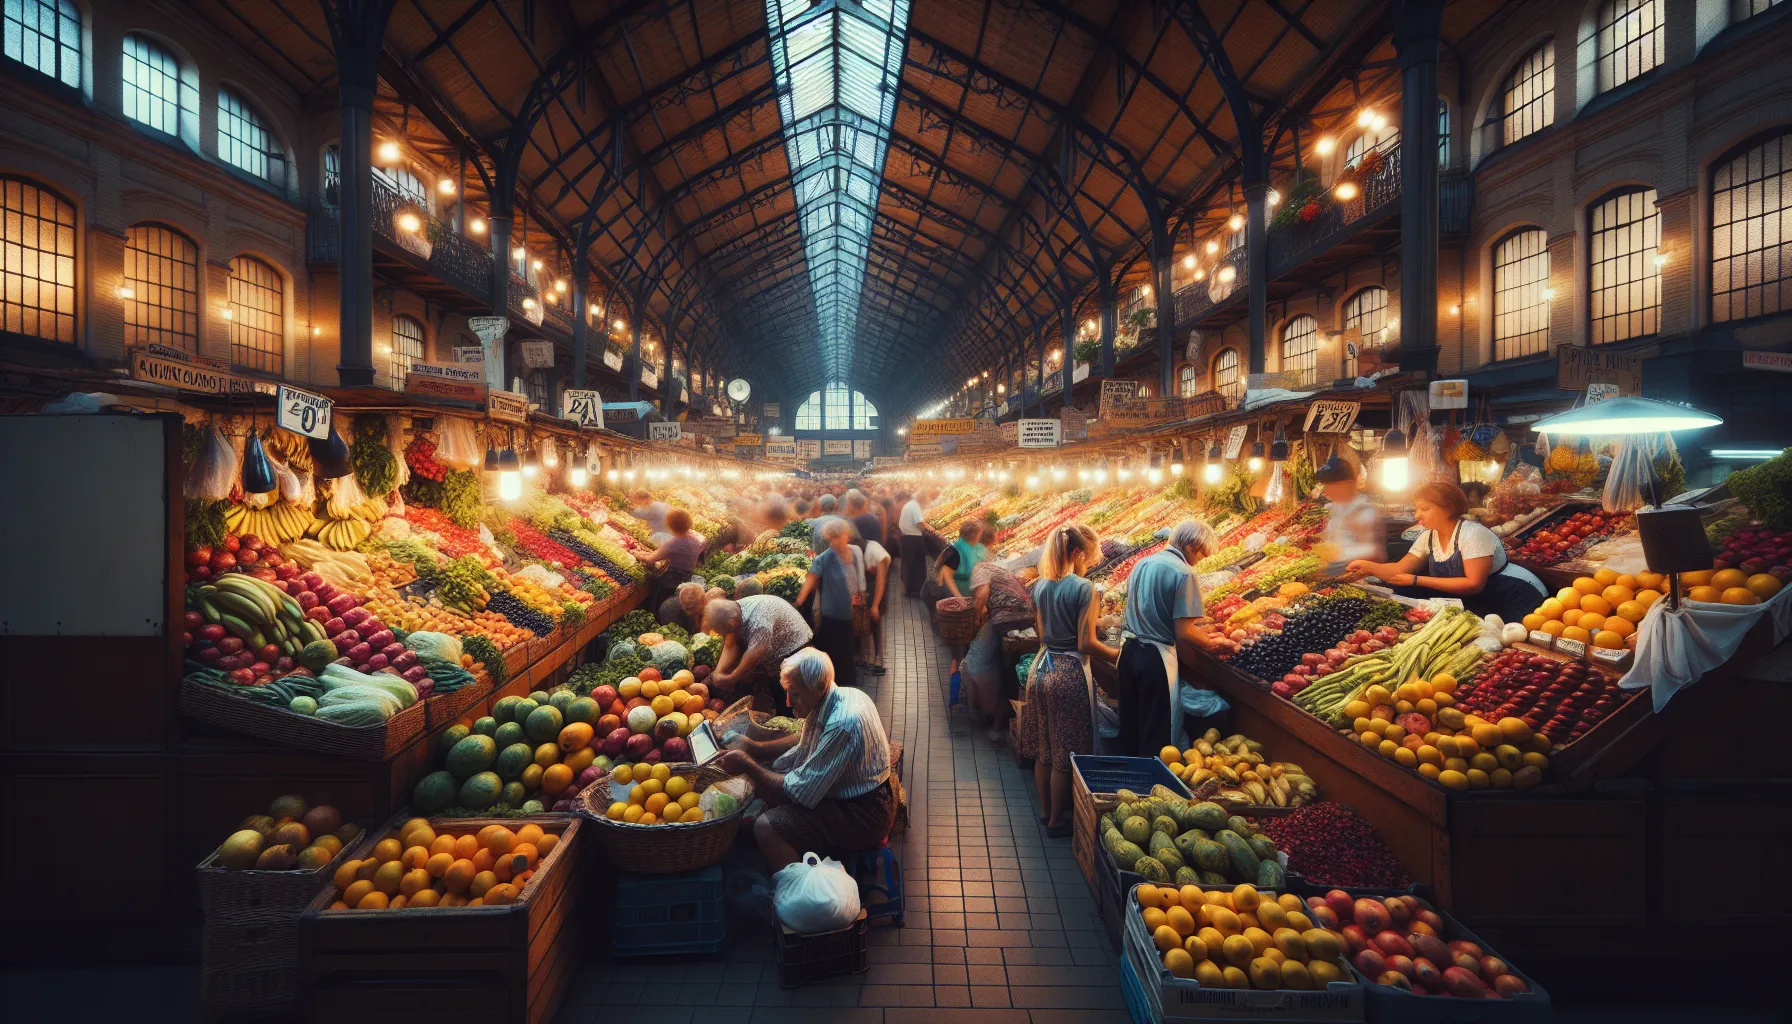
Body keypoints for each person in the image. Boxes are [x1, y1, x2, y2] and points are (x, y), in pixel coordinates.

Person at [716, 648, 894, 871]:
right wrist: (755, 749)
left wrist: (747, 764)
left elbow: (799, 792)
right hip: (863, 798)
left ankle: (801, 891)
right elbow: (804, 739)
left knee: (766, 826)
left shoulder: (843, 723)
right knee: (768, 782)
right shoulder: (843, 695)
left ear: (817, 688)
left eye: (795, 694)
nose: (788, 703)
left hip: (864, 815)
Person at [1018, 524, 1116, 836]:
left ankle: (1047, 812)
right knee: (1066, 752)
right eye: (1088, 558)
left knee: (1045, 748)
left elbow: (1044, 634)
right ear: (1075, 553)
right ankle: (1059, 820)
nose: (1089, 564)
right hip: (1069, 673)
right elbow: (1086, 643)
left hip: (1041, 668)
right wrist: (1116, 654)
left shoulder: (1041, 586)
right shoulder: (1085, 588)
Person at [1347, 481, 1547, 621]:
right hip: (1480, 599)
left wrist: (1417, 580)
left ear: (1448, 508)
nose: (1417, 515)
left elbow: (1473, 584)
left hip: (1514, 595)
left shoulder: (1473, 534)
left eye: (1425, 509)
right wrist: (1369, 567)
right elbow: (1400, 569)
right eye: (1416, 509)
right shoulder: (1429, 537)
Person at [1116, 519, 1226, 758]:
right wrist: (1214, 644)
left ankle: (1124, 783)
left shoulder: (1142, 563)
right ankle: (1150, 790)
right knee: (1156, 732)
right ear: (1190, 547)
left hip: (1129, 652)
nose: (1201, 560)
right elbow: (1185, 630)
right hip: (1154, 658)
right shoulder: (1184, 572)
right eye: (1202, 554)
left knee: (1130, 725)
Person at [961, 559, 1034, 743]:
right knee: (1007, 672)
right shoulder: (1001, 573)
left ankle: (995, 723)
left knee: (1005, 672)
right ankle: (996, 723)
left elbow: (982, 594)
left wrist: (975, 620)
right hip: (1023, 620)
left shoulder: (980, 568)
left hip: (1008, 622)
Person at [705, 595, 813, 713]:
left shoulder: (759, 622)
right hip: (773, 649)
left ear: (731, 623)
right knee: (775, 688)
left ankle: (795, 720)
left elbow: (754, 655)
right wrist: (718, 672)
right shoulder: (734, 610)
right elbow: (730, 645)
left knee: (790, 696)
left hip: (795, 648)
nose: (721, 635)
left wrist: (732, 678)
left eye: (721, 632)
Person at [795, 518, 866, 688]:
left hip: (850, 616)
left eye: (837, 536)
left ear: (846, 535)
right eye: (831, 538)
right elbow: (808, 586)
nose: (834, 541)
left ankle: (848, 688)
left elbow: (858, 580)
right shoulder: (823, 559)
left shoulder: (854, 553)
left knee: (848, 657)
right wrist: (797, 604)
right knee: (834, 658)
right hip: (831, 618)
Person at [1313, 453, 1384, 577]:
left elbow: (1372, 551)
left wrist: (1336, 557)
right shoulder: (1330, 508)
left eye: (1330, 486)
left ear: (1347, 484)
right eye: (1326, 486)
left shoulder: (1364, 512)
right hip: (1329, 573)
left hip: (1354, 575)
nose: (1327, 491)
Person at [640, 508, 705, 611]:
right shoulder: (694, 537)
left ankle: (655, 614)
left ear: (670, 526)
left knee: (658, 602)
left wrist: (636, 553)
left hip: (671, 579)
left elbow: (650, 559)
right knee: (669, 601)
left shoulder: (674, 544)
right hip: (686, 577)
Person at [857, 535, 891, 675]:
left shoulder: (875, 552)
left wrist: (875, 605)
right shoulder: (861, 548)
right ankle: (865, 657)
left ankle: (879, 660)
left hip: (877, 587)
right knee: (863, 621)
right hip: (867, 587)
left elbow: (881, 579)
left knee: (875, 621)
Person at [937, 519, 987, 600]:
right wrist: (959, 597)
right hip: (954, 594)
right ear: (973, 535)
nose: (980, 536)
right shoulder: (956, 551)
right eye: (980, 533)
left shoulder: (968, 546)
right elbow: (947, 575)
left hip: (966, 590)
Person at [896, 490, 930, 596]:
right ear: (921, 499)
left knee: (908, 564)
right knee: (917, 564)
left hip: (906, 538)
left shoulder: (910, 505)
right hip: (913, 539)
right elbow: (920, 522)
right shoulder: (915, 506)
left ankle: (909, 588)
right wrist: (931, 529)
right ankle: (916, 589)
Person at [845, 490, 882, 555]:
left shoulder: (859, 521)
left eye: (847, 504)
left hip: (865, 556)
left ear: (852, 506)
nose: (846, 506)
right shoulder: (872, 517)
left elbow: (857, 544)